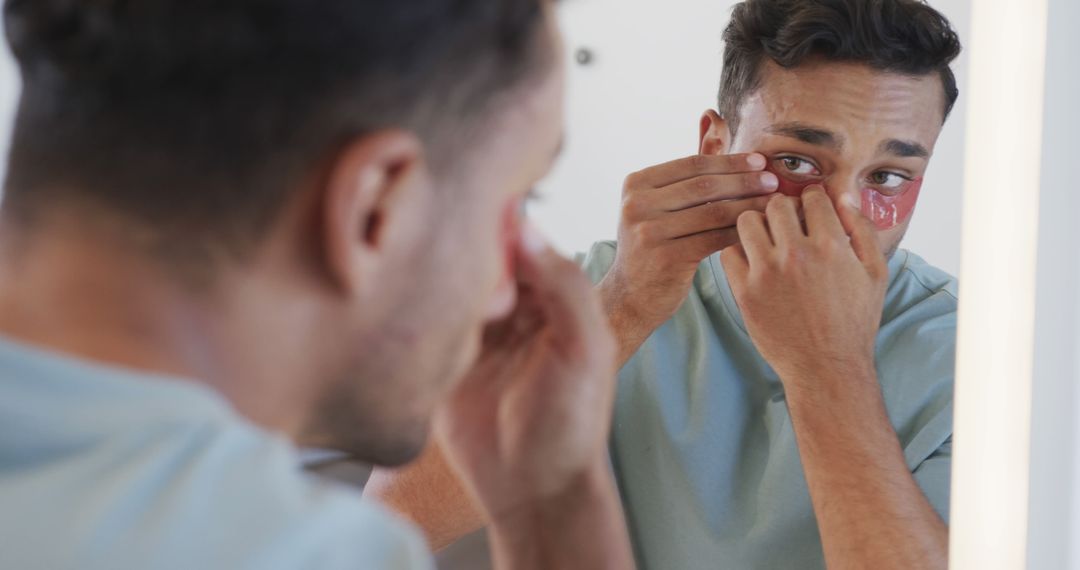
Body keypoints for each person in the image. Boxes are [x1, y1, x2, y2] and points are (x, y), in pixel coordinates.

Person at [0, 0, 636, 568]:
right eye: (520, 199)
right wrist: (556, 507)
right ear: (375, 209)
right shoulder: (301, 551)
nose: (505, 292)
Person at [367, 0, 961, 568]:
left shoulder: (967, 363)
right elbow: (385, 527)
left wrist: (827, 365)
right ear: (714, 146)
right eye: (797, 163)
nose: (840, 211)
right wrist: (624, 306)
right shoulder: (578, 293)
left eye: (887, 176)